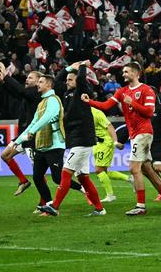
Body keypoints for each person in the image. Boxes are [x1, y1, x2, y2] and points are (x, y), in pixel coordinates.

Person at [83, 62, 161, 216]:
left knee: (134, 168)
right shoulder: (122, 91)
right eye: (123, 72)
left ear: (136, 73)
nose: (123, 74)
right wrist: (89, 102)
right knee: (147, 169)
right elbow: (106, 106)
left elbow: (149, 112)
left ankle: (140, 206)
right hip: (134, 134)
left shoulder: (146, 90)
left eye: (126, 71)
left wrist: (131, 102)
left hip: (144, 132)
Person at [12, 74, 87, 213]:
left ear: (48, 85)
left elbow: (46, 118)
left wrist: (33, 131)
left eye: (40, 82)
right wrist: (16, 141)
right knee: (37, 177)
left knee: (58, 178)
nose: (38, 84)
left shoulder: (53, 100)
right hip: (41, 146)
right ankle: (49, 205)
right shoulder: (41, 103)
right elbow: (33, 123)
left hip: (54, 145)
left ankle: (83, 189)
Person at [39, 61, 106, 216]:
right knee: (82, 178)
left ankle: (54, 206)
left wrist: (83, 66)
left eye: (70, 79)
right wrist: (69, 69)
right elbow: (55, 82)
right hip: (76, 139)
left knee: (66, 172)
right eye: (67, 79)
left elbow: (82, 80)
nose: (67, 82)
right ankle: (99, 209)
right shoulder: (66, 93)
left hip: (82, 140)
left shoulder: (82, 92)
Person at [0, 64, 42, 196]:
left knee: (38, 172)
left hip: (33, 137)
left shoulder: (36, 93)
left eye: (31, 78)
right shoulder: (28, 94)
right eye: (27, 77)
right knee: (5, 155)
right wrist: (4, 82)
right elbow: (16, 93)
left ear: (39, 82)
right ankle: (23, 181)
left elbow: (20, 90)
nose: (27, 79)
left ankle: (44, 202)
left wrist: (7, 76)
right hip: (23, 135)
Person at [91, 107, 131, 202]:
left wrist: (115, 142)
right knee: (103, 171)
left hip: (105, 142)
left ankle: (110, 195)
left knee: (99, 170)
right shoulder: (82, 114)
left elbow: (110, 126)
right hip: (96, 144)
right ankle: (129, 179)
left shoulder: (96, 113)